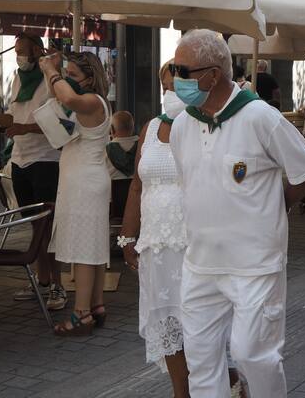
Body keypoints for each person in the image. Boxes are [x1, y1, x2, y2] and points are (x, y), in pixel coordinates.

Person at [169, 29, 305, 397]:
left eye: (182, 71)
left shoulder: (260, 117)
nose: (176, 79)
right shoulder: (183, 124)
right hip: (200, 264)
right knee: (201, 361)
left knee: (253, 355)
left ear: (212, 75)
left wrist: (278, 205)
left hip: (255, 264)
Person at [0, 32, 66, 311]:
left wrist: (26, 128)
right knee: (35, 226)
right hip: (20, 160)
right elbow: (13, 118)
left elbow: (62, 122)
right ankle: (42, 280)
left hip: (47, 160)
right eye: (15, 51)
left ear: (37, 50)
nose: (18, 56)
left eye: (22, 50)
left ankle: (58, 284)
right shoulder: (18, 79)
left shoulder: (52, 80)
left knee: (49, 226)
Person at [119, 61, 190, 396]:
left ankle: (224, 384)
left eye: (175, 86)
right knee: (167, 326)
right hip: (156, 248)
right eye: (165, 87)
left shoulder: (204, 126)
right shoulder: (150, 128)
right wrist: (127, 236)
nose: (169, 93)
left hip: (192, 245)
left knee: (199, 326)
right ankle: (181, 392)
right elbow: (137, 185)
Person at [39, 50, 112, 336]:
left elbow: (67, 98)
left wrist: (50, 70)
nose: (67, 79)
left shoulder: (92, 101)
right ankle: (96, 305)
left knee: (84, 249)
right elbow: (58, 96)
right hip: (84, 180)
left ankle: (81, 314)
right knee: (93, 246)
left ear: (90, 78)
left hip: (85, 183)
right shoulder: (89, 101)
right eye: (66, 74)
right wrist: (54, 73)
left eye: (73, 75)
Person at [106, 111, 139, 180]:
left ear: (112, 129)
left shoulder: (104, 151)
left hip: (114, 187)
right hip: (137, 186)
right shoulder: (143, 147)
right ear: (132, 127)